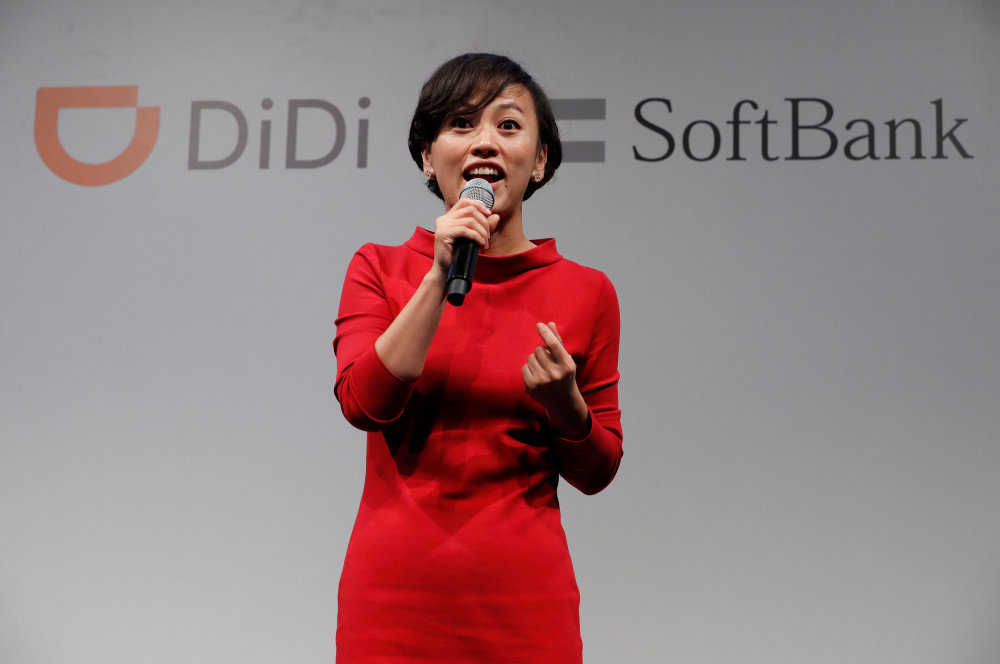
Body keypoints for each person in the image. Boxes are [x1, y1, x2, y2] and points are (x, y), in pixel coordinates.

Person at [332, 52, 623, 663]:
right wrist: (438, 276)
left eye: (508, 125)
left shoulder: (587, 291)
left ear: (539, 160)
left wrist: (566, 406)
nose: (484, 141)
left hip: (525, 604)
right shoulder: (379, 268)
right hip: (394, 602)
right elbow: (364, 405)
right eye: (460, 123)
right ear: (427, 155)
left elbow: (598, 472)